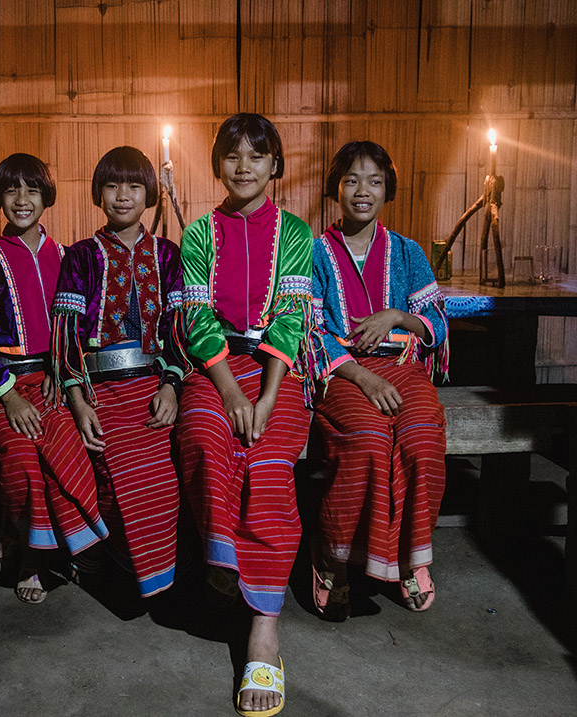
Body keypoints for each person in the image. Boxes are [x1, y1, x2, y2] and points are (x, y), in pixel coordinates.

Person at [176, 113, 315, 717]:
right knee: (205, 436)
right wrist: (230, 389)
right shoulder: (200, 233)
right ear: (217, 165)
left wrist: (264, 397)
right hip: (217, 366)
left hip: (279, 369)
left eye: (257, 157)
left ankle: (264, 626)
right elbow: (195, 319)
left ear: (275, 167)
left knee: (267, 460)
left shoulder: (297, 233)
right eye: (232, 156)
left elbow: (289, 316)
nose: (244, 167)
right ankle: (223, 558)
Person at [0, 153, 108, 604]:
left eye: (32, 190)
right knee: (21, 457)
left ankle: (58, 547)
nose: (22, 199)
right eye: (11, 190)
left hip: (55, 380)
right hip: (3, 386)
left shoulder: (68, 256)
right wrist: (6, 398)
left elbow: (79, 331)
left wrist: (66, 378)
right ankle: (30, 552)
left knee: (66, 446)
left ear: (47, 197)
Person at [309, 140, 449, 621]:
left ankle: (412, 557)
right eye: (351, 180)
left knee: (423, 437)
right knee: (367, 439)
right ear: (336, 189)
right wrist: (362, 378)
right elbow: (309, 333)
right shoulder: (313, 253)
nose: (362, 191)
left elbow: (437, 325)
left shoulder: (408, 253)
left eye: (373, 180)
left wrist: (395, 315)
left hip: (403, 368)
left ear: (387, 188)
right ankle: (333, 559)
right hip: (342, 372)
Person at [51, 145, 189, 598]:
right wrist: (77, 399)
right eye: (112, 185)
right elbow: (66, 334)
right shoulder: (81, 255)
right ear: (99, 194)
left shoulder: (168, 255)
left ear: (150, 192)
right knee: (114, 465)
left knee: (162, 474)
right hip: (98, 389)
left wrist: (171, 385)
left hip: (153, 384)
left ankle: (153, 572)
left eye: (133, 185)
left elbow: (178, 331)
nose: (123, 196)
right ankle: (111, 558)